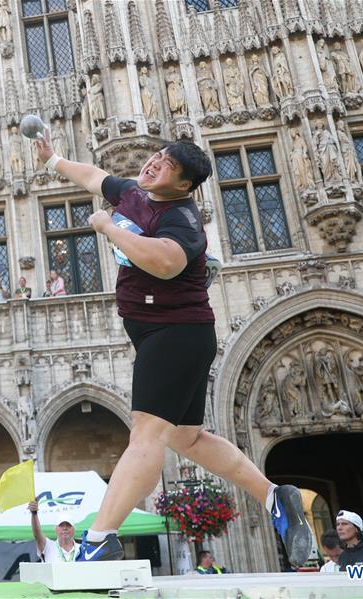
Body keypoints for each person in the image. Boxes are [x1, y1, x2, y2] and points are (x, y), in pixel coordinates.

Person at [33, 131, 312, 565]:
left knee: (146, 434)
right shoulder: (132, 192)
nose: (153, 163)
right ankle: (276, 497)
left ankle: (98, 539)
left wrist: (107, 227)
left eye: (165, 164)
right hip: (161, 333)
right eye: (156, 156)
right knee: (188, 436)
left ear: (184, 185)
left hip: (176, 332)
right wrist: (53, 160)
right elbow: (93, 176)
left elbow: (165, 262)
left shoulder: (182, 219)